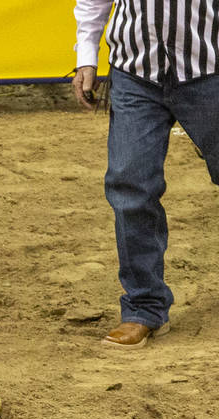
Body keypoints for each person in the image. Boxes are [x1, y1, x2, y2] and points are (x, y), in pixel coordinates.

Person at [72, 1, 219, 349]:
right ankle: (143, 308)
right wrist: (87, 56)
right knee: (129, 184)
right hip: (135, 73)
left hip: (211, 69)